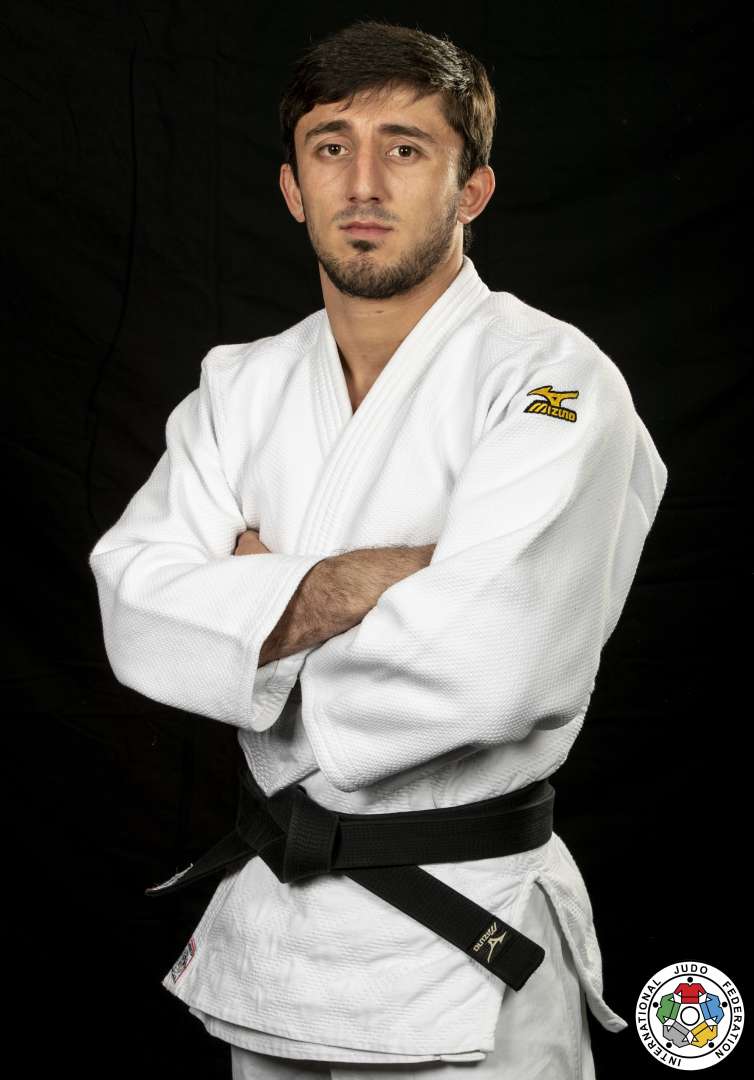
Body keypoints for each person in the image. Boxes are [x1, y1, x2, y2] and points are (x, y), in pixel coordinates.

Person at [88, 19, 668, 1079]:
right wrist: (364, 581)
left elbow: (492, 666)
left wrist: (247, 611)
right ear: (291, 187)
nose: (362, 182)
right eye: (330, 146)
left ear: (471, 188)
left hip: (462, 935)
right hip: (276, 936)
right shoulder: (237, 386)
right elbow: (134, 612)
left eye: (405, 147)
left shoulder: (552, 381)